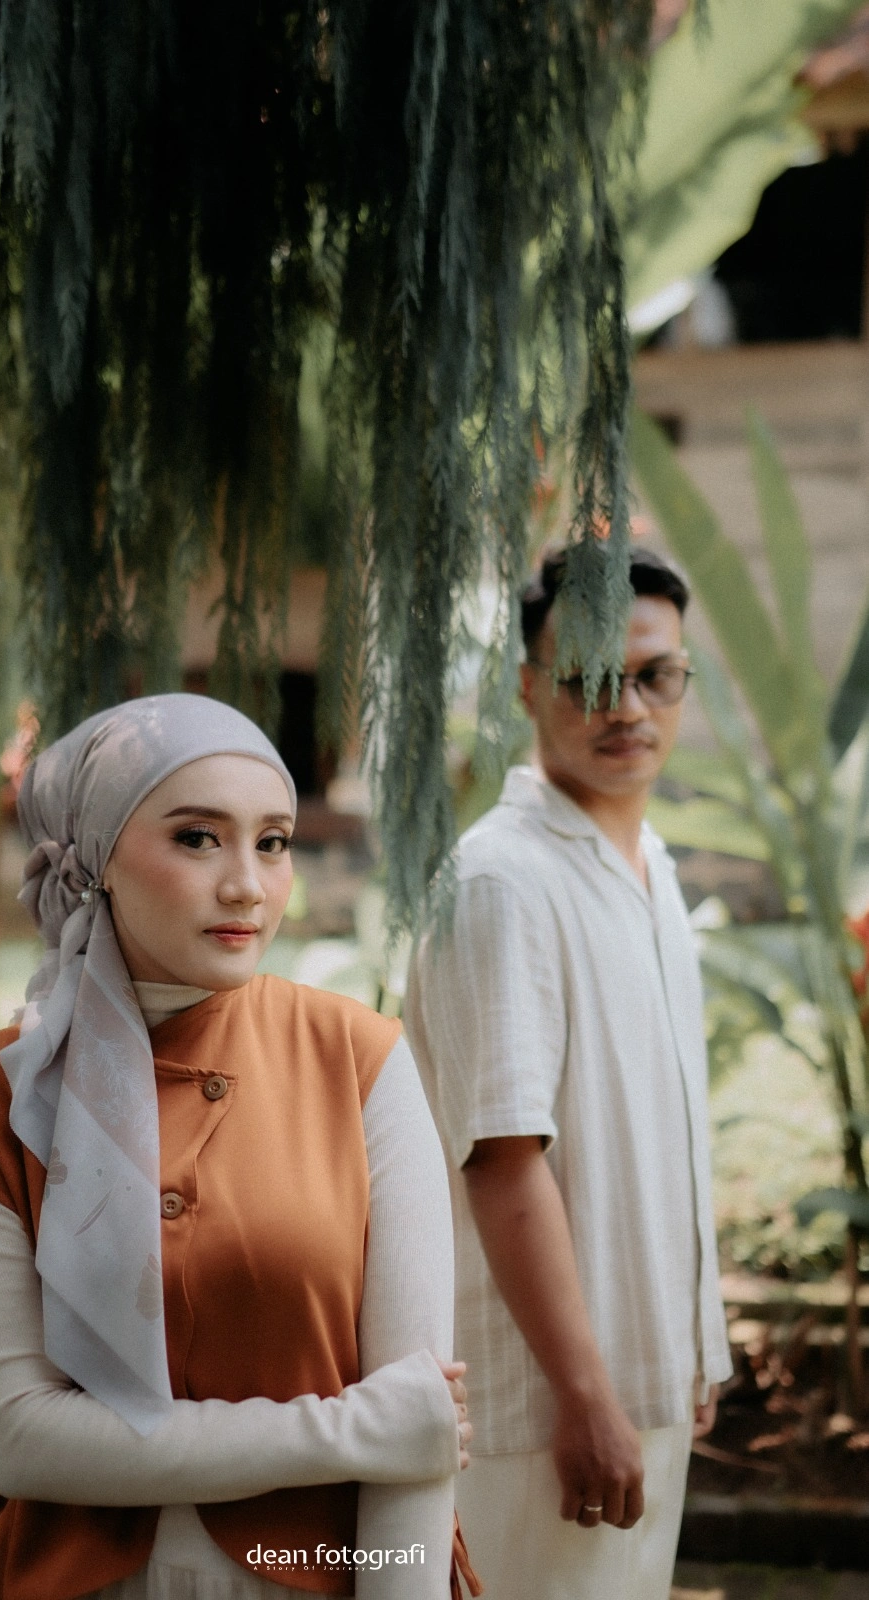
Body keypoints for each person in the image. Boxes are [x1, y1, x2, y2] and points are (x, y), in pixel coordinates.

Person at [0, 694, 479, 1600]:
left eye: (273, 842)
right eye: (196, 838)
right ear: (97, 856)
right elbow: (20, 1439)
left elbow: (416, 1441)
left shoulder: (357, 1057)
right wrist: (350, 1431)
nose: (247, 885)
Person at [404, 547, 733, 1600]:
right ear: (525, 685)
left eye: (652, 675)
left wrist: (691, 1345)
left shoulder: (648, 867)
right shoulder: (502, 881)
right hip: (544, 1412)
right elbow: (501, 1159)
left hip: (639, 1387)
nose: (624, 706)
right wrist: (585, 1397)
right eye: (587, 677)